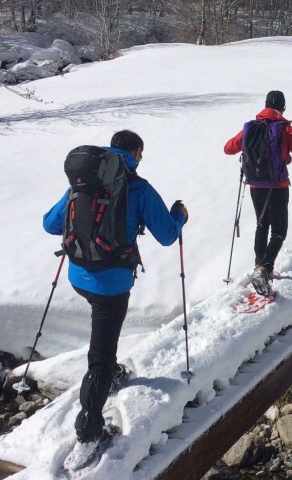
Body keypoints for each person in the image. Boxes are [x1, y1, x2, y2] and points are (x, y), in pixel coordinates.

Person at [43, 130, 188, 458]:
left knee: (104, 334)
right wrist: (180, 215)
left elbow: (50, 224)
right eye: (140, 154)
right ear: (136, 152)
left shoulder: (83, 182)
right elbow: (166, 235)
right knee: (101, 352)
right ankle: (89, 429)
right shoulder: (137, 187)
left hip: (78, 276)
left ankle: (108, 369)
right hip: (111, 283)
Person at [224, 90, 292, 296]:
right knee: (279, 230)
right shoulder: (286, 130)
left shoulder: (250, 128)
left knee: (262, 224)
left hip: (255, 186)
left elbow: (228, 149)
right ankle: (264, 270)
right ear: (283, 107)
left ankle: (259, 266)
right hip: (277, 187)